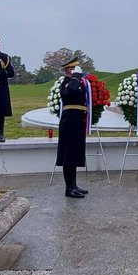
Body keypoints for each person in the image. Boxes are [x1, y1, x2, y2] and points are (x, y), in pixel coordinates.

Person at [55, 57, 89, 198]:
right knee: (68, 155)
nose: (77, 71)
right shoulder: (67, 83)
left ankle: (73, 185)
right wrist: (76, 76)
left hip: (77, 120)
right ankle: (69, 188)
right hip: (69, 121)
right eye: (74, 68)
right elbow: (72, 91)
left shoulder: (76, 82)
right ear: (69, 70)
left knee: (74, 154)